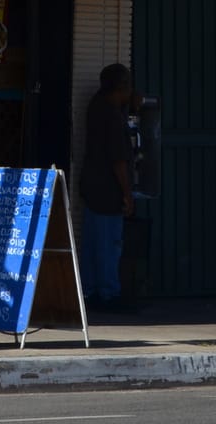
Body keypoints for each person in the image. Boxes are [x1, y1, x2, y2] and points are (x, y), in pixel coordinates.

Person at [79, 62, 135, 311]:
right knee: (109, 243)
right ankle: (109, 294)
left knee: (92, 241)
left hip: (91, 185)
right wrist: (127, 194)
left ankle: (90, 291)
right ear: (121, 87)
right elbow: (119, 160)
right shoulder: (112, 116)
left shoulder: (96, 105)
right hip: (107, 190)